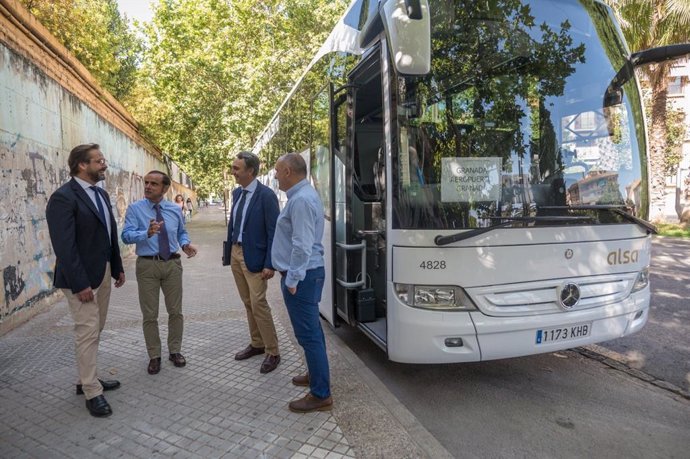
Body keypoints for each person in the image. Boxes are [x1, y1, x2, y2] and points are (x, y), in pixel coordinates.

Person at [45, 143, 126, 418]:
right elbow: (65, 247)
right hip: (81, 280)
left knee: (96, 328)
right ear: (82, 165)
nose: (104, 164)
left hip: (102, 272)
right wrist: (80, 285)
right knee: (87, 331)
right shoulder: (63, 198)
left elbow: (108, 234)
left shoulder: (100, 195)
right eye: (99, 160)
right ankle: (92, 391)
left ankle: (85, 378)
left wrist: (116, 267)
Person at [271, 153, 332, 413]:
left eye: (276, 171)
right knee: (312, 333)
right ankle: (316, 375)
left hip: (302, 276)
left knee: (308, 335)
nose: (274, 176)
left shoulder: (301, 200)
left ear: (287, 171)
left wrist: (293, 278)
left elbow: (302, 245)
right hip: (306, 274)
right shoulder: (301, 196)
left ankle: (321, 394)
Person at [122, 171, 198, 375]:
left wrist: (185, 244)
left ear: (165, 189)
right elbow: (126, 236)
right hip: (147, 265)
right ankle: (154, 355)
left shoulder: (174, 209)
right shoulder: (135, 209)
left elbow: (182, 232)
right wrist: (145, 233)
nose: (147, 186)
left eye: (153, 184)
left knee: (176, 311)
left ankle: (175, 351)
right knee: (150, 314)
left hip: (172, 264)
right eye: (146, 183)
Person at [223, 151, 281, 373]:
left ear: (251, 171)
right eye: (233, 167)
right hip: (237, 255)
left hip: (256, 259)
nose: (233, 172)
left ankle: (273, 351)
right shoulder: (237, 194)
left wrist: (270, 263)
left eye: (237, 168)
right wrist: (230, 252)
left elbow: (273, 231)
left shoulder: (266, 196)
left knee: (259, 303)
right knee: (248, 302)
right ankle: (257, 344)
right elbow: (234, 225)